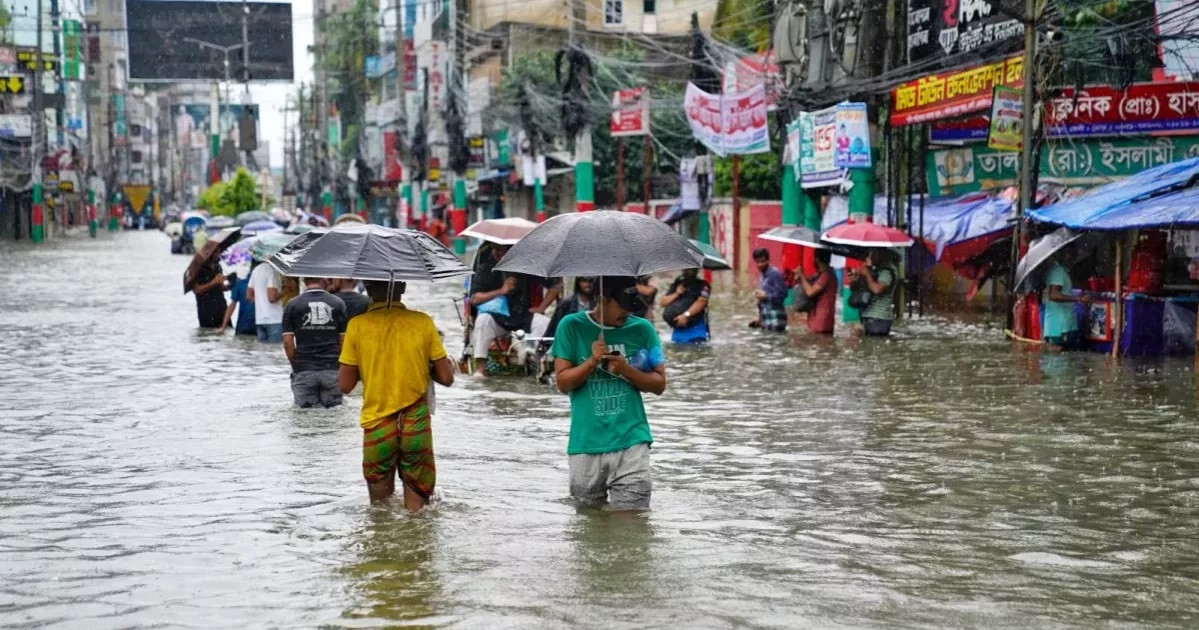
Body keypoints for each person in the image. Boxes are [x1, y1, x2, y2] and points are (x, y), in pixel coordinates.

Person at [551, 276, 667, 511]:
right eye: (622, 305)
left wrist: (626, 369)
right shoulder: (570, 326)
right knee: (590, 529)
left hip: (632, 440)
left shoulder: (642, 329)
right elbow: (562, 383)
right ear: (603, 299)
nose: (628, 312)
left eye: (631, 305)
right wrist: (591, 362)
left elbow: (659, 384)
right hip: (586, 444)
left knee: (632, 528)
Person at [338, 280, 455, 509]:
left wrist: (368, 364)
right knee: (417, 513)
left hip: (377, 426)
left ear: (368, 289)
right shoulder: (422, 322)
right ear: (402, 287)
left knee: (381, 512)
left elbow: (345, 385)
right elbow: (447, 378)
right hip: (415, 423)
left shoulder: (357, 325)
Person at [469, 243, 551, 376]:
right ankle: (480, 370)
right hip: (496, 318)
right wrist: (501, 291)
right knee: (483, 320)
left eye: (503, 249)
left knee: (545, 323)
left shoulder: (525, 268)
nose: (498, 252)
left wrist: (542, 307)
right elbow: (474, 298)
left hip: (523, 316)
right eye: (496, 248)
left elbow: (555, 286)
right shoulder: (484, 269)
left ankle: (539, 363)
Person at [283, 277, 348, 408]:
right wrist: (338, 363)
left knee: (304, 416)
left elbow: (287, 342)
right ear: (325, 281)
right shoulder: (338, 303)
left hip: (304, 370)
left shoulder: (292, 304)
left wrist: (297, 365)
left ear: (304, 281)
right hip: (332, 369)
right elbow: (344, 341)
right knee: (334, 413)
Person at [1042, 257, 1090, 351]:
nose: (1073, 256)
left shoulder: (1061, 271)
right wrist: (1079, 298)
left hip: (1063, 326)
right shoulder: (1057, 271)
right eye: (1071, 252)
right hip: (1059, 328)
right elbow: (1053, 295)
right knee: (1058, 360)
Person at [852, 250, 898, 337]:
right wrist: (854, 280)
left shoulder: (887, 270)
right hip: (868, 316)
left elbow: (877, 290)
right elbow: (860, 290)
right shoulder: (875, 268)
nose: (870, 255)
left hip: (878, 319)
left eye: (872, 252)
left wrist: (866, 274)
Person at [660, 268, 711, 343]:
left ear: (696, 270)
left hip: (695, 329)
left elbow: (701, 302)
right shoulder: (678, 284)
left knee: (696, 347)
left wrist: (685, 315)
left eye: (692, 270)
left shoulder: (703, 285)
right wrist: (677, 293)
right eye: (687, 270)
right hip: (678, 329)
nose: (689, 272)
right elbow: (663, 303)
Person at [797, 249, 837, 335]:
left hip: (821, 323)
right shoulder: (822, 274)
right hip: (817, 321)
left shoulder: (826, 275)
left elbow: (810, 292)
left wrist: (802, 276)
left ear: (817, 259)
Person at [545, 276, 596, 341]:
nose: (587, 284)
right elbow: (555, 326)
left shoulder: (599, 303)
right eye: (584, 280)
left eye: (591, 281)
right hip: (571, 341)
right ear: (578, 282)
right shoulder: (566, 303)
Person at [749, 248, 788, 332]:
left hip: (776, 316)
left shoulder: (775, 273)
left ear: (768, 260)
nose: (760, 264)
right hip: (766, 315)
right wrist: (760, 319)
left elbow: (784, 294)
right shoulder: (762, 275)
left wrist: (766, 296)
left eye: (762, 261)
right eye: (757, 262)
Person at [247, 261, 284, 342]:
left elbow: (249, 296)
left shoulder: (256, 270)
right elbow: (272, 298)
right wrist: (286, 290)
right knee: (274, 352)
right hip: (274, 319)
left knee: (263, 353)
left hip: (260, 319)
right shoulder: (273, 270)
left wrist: (261, 303)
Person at [192, 255, 227, 329]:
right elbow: (196, 290)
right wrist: (214, 282)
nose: (219, 253)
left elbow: (221, 287)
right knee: (207, 333)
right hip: (206, 309)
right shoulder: (196, 268)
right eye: (217, 252)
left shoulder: (218, 266)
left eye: (219, 251)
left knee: (226, 333)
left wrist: (232, 284)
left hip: (221, 307)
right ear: (211, 253)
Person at [217, 271, 257, 336]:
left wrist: (223, 327)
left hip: (242, 326)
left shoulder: (239, 284)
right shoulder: (265, 284)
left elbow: (231, 306)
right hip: (261, 325)